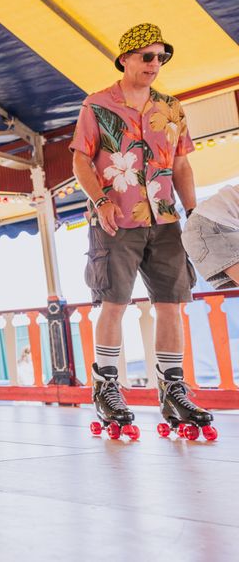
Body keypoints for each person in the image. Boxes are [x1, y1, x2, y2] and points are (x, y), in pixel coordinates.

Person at [71, 22, 212, 442]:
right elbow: (81, 160)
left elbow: (182, 165)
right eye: (147, 56)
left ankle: (173, 391)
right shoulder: (97, 105)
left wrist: (193, 212)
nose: (156, 64)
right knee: (113, 302)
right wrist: (100, 200)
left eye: (162, 57)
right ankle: (108, 388)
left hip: (166, 219)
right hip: (116, 219)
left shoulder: (172, 107)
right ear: (126, 58)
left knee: (171, 303)